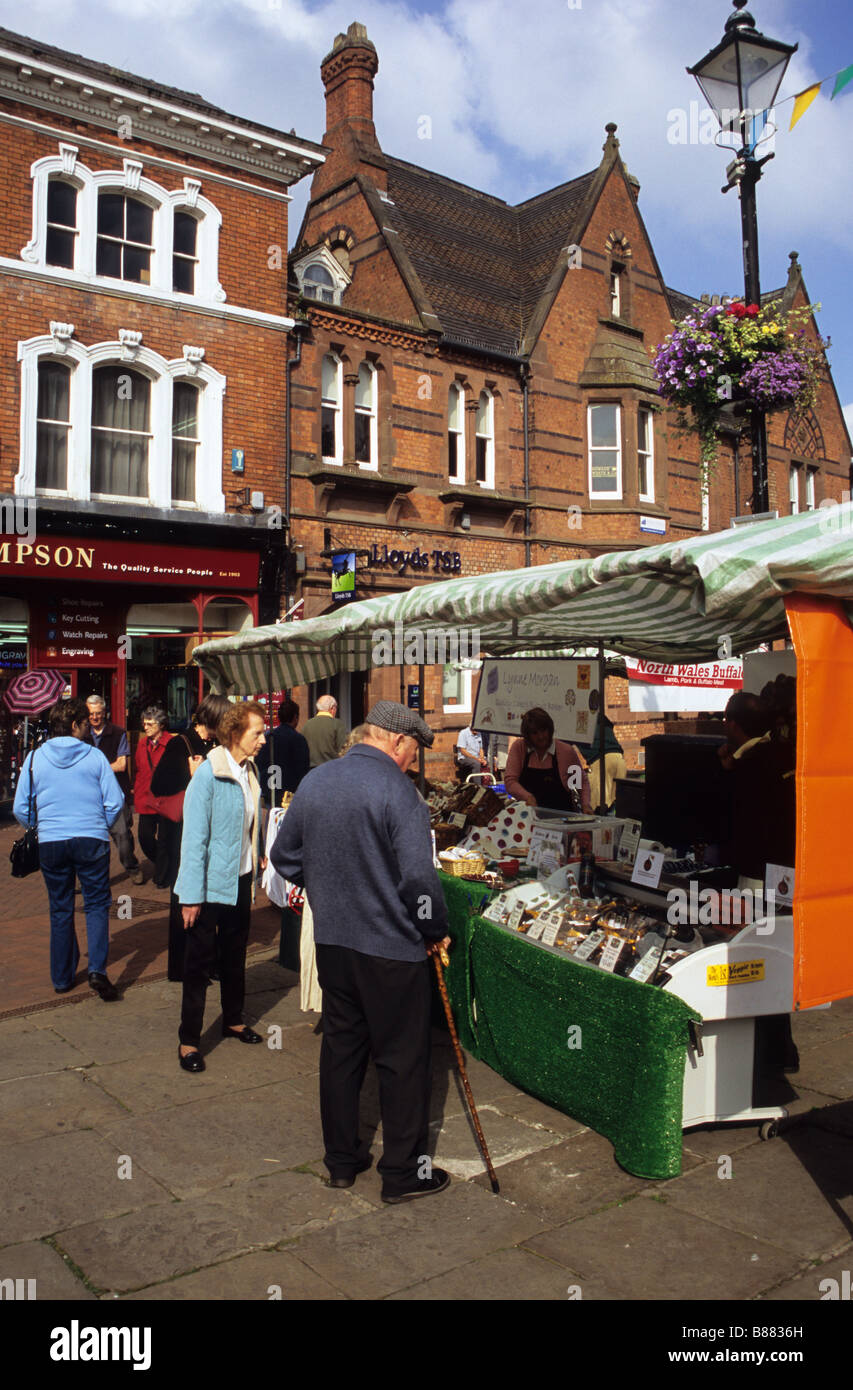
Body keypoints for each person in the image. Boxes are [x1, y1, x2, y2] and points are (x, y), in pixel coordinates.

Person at [271, 700, 452, 1204]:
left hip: (334, 942)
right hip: (392, 949)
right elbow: (419, 880)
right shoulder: (400, 793)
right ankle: (402, 1173)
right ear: (395, 741)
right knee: (402, 1059)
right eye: (413, 751)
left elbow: (283, 855)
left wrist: (329, 887)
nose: (413, 762)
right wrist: (435, 927)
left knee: (342, 1050)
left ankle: (341, 1162)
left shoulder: (317, 781)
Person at [173, 701, 267, 1073]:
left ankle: (233, 1019)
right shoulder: (208, 775)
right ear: (234, 734)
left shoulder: (249, 769)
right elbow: (193, 839)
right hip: (208, 886)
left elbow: (247, 822)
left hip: (240, 878)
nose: (262, 739)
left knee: (234, 954)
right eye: (256, 732)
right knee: (197, 965)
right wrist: (191, 896)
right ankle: (189, 1040)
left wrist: (256, 853)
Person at [13, 697, 124, 999]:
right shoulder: (95, 758)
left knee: (60, 908)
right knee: (97, 904)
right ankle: (97, 970)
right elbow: (115, 801)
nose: (89, 727)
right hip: (91, 838)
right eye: (86, 723)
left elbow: (21, 807)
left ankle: (62, 978)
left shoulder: (35, 759)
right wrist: (100, 823)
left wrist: (40, 824)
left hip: (52, 841)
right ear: (75, 725)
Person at [718, 691, 798, 1074]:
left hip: (756, 877)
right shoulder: (784, 755)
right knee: (780, 958)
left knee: (755, 961)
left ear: (733, 724)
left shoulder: (749, 765)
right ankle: (781, 1048)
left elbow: (736, 824)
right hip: (789, 874)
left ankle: (765, 1051)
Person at [150, 694, 232, 982]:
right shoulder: (180, 744)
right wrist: (191, 775)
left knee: (209, 900)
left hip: (210, 830)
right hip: (182, 833)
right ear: (211, 718)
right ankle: (183, 967)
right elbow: (157, 785)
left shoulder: (219, 745)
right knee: (184, 895)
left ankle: (207, 962)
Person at [84, 694, 140, 875]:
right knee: (87, 839)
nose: (95, 717)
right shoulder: (82, 735)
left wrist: (94, 769)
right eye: (91, 714)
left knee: (122, 836)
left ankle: (132, 867)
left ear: (105, 713)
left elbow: (122, 764)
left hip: (115, 794)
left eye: (98, 713)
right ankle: (87, 877)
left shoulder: (118, 733)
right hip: (89, 796)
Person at [504, 707, 592, 812]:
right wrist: (527, 797)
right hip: (529, 819)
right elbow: (510, 782)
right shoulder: (519, 748)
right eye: (535, 733)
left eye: (543, 730)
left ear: (550, 729)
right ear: (528, 735)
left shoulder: (566, 752)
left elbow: (581, 782)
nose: (541, 737)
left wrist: (586, 805)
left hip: (561, 818)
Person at [132, 707, 173, 887]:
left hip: (166, 799)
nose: (145, 727)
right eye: (144, 723)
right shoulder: (142, 744)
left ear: (161, 725)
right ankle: (167, 864)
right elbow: (139, 768)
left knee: (165, 839)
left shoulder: (172, 743)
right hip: (146, 798)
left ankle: (162, 876)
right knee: (145, 837)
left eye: (150, 724)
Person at [256, 697, 310, 805]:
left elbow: (259, 763)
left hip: (269, 790)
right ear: (295, 717)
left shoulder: (267, 737)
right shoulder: (298, 739)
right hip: (290, 793)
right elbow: (303, 769)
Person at [573, 715, 627, 811]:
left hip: (601, 761)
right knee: (615, 805)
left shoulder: (575, 722)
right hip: (619, 759)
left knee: (595, 808)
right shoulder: (599, 717)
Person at [302, 695, 347, 767]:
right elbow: (344, 751)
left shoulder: (307, 724)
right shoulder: (337, 724)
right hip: (331, 770)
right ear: (332, 708)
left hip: (310, 772)